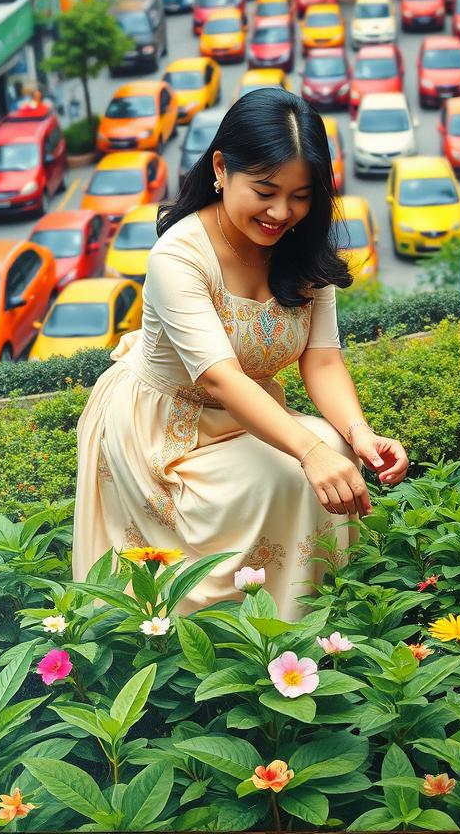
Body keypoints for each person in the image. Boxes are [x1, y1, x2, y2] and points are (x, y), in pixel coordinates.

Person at [73, 89, 409, 619]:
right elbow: (221, 379)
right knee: (305, 461)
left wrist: (359, 434)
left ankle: (304, 630)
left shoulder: (303, 248)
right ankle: (250, 642)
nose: (281, 212)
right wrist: (310, 451)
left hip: (250, 420)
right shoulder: (179, 255)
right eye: (265, 190)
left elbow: (322, 360)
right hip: (163, 435)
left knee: (333, 447)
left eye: (300, 196)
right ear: (221, 168)